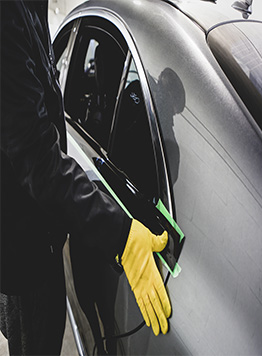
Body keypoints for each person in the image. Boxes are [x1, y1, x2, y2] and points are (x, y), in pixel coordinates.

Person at [0, 1, 171, 355]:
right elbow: (38, 160)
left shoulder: (26, 8)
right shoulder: (6, 17)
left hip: (40, 236)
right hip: (23, 252)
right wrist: (122, 236)